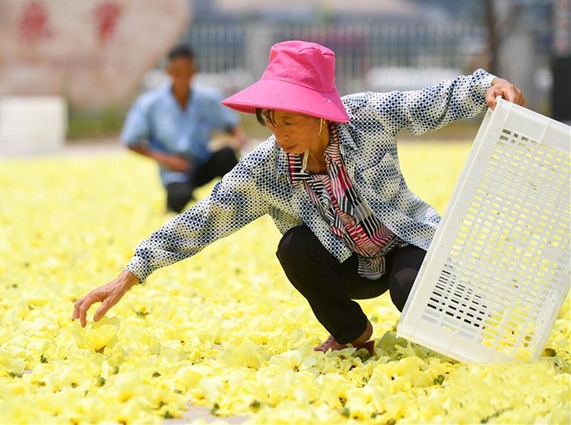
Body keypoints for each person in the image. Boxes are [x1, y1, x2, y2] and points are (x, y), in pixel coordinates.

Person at [73, 41, 526, 353]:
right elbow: (203, 218)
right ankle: (352, 334)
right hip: (346, 264)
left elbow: (431, 100)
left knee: (413, 295)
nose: (279, 133)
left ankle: (476, 320)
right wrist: (129, 274)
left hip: (402, 244)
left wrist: (488, 86)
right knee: (293, 247)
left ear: (320, 113)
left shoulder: (365, 117)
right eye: (270, 121)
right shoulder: (266, 167)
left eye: (289, 121)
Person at [121, 44, 247, 213]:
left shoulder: (207, 99)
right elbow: (131, 141)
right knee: (178, 198)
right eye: (177, 72)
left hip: (202, 162)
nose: (182, 78)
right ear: (168, 72)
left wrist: (240, 138)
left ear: (194, 71)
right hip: (175, 171)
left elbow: (229, 124)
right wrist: (165, 159)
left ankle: (240, 201)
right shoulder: (149, 104)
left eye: (187, 72)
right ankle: (181, 198)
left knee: (227, 155)